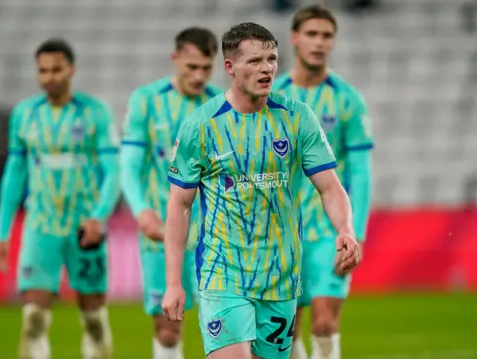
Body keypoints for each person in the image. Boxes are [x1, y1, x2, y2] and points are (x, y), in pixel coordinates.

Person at [162, 22, 362, 359]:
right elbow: (180, 205)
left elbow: (330, 188)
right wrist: (172, 282)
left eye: (271, 59)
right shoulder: (201, 126)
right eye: (255, 61)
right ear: (230, 67)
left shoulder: (297, 118)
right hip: (222, 272)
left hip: (281, 277)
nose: (267, 68)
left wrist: (345, 229)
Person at [0, 38, 120, 359]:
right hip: (41, 224)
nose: (49, 76)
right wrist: (3, 230)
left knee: (93, 319)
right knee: (33, 318)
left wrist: (99, 217)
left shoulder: (95, 112)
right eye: (43, 71)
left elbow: (113, 171)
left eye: (56, 69)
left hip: (85, 227)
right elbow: (14, 173)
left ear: (71, 70)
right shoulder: (24, 114)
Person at [273, 6, 374, 359]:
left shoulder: (347, 99)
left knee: (325, 323)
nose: (319, 42)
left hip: (329, 230)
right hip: (282, 230)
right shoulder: (273, 96)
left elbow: (360, 170)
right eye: (312, 34)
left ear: (334, 42)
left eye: (326, 35)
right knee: (287, 330)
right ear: (295, 39)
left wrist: (354, 230)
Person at [120, 26, 222, 359]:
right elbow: (129, 166)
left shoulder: (222, 105)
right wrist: (142, 210)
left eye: (206, 68)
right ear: (175, 59)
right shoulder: (146, 101)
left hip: (216, 236)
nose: (199, 75)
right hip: (162, 231)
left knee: (223, 328)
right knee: (168, 328)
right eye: (191, 67)